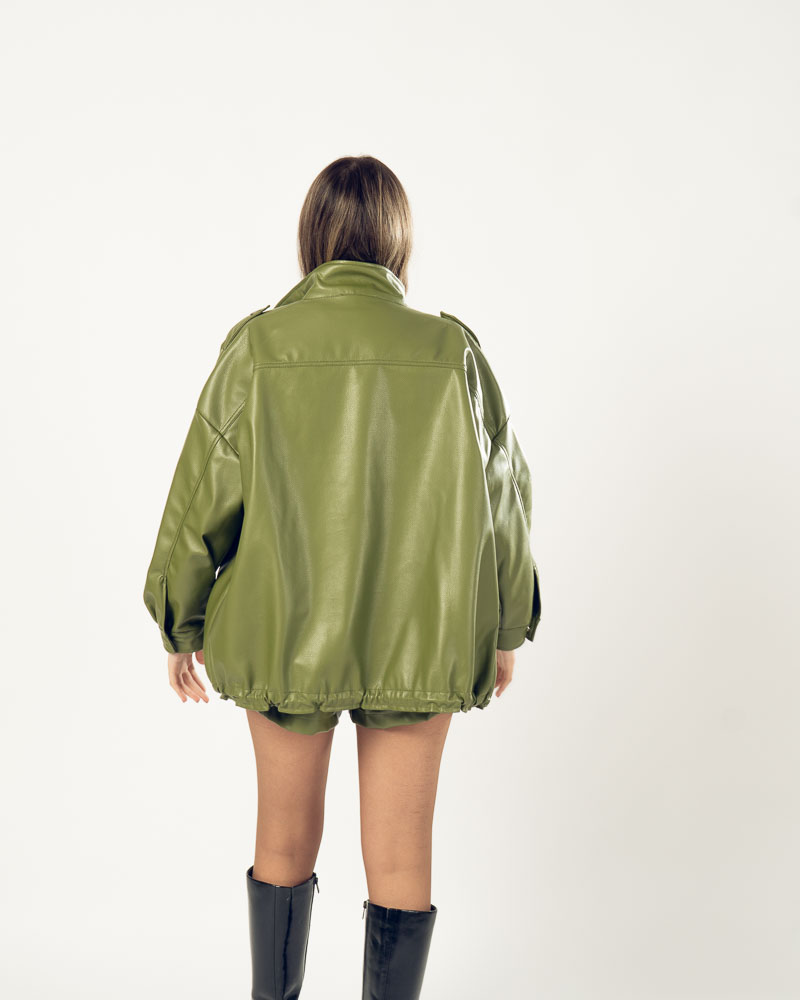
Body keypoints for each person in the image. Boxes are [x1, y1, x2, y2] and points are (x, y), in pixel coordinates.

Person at [142, 154, 542, 999]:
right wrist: (507, 625)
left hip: (285, 634)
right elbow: (504, 495)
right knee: (401, 859)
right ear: (399, 243)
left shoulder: (259, 348)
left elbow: (201, 495)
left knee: (282, 844)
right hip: (421, 639)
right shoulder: (453, 352)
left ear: (311, 238)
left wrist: (181, 621)